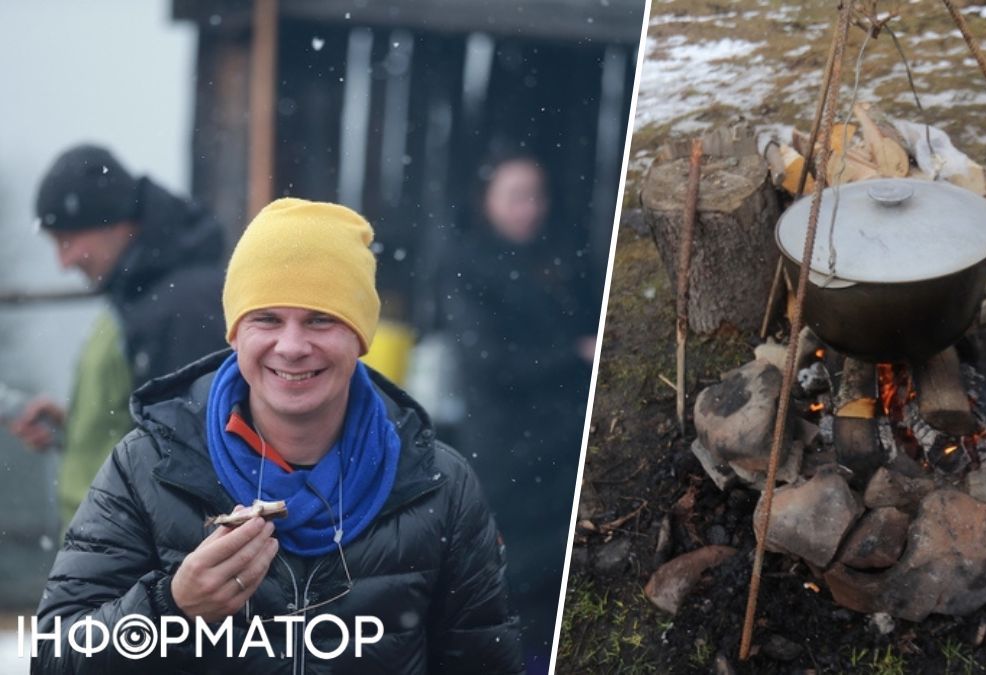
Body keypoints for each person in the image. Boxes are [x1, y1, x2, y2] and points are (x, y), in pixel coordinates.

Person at [33, 198, 523, 673]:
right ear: (234, 333)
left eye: (321, 319)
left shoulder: (439, 486)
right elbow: (55, 656)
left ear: (360, 336)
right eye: (266, 318)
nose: (291, 346)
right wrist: (171, 609)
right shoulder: (147, 468)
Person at [7, 143, 227, 531]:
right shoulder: (143, 295)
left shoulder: (182, 307)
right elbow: (146, 424)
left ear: (115, 221)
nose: (63, 262)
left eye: (68, 240)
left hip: (127, 565)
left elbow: (188, 459)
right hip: (107, 557)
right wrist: (81, 426)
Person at [440, 151, 598, 671]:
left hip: (560, 439)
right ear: (487, 201)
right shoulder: (468, 265)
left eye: (536, 195)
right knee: (514, 573)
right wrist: (571, 357)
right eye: (516, 196)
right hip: (507, 446)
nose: (529, 208)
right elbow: (489, 363)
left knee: (558, 571)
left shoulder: (555, 254)